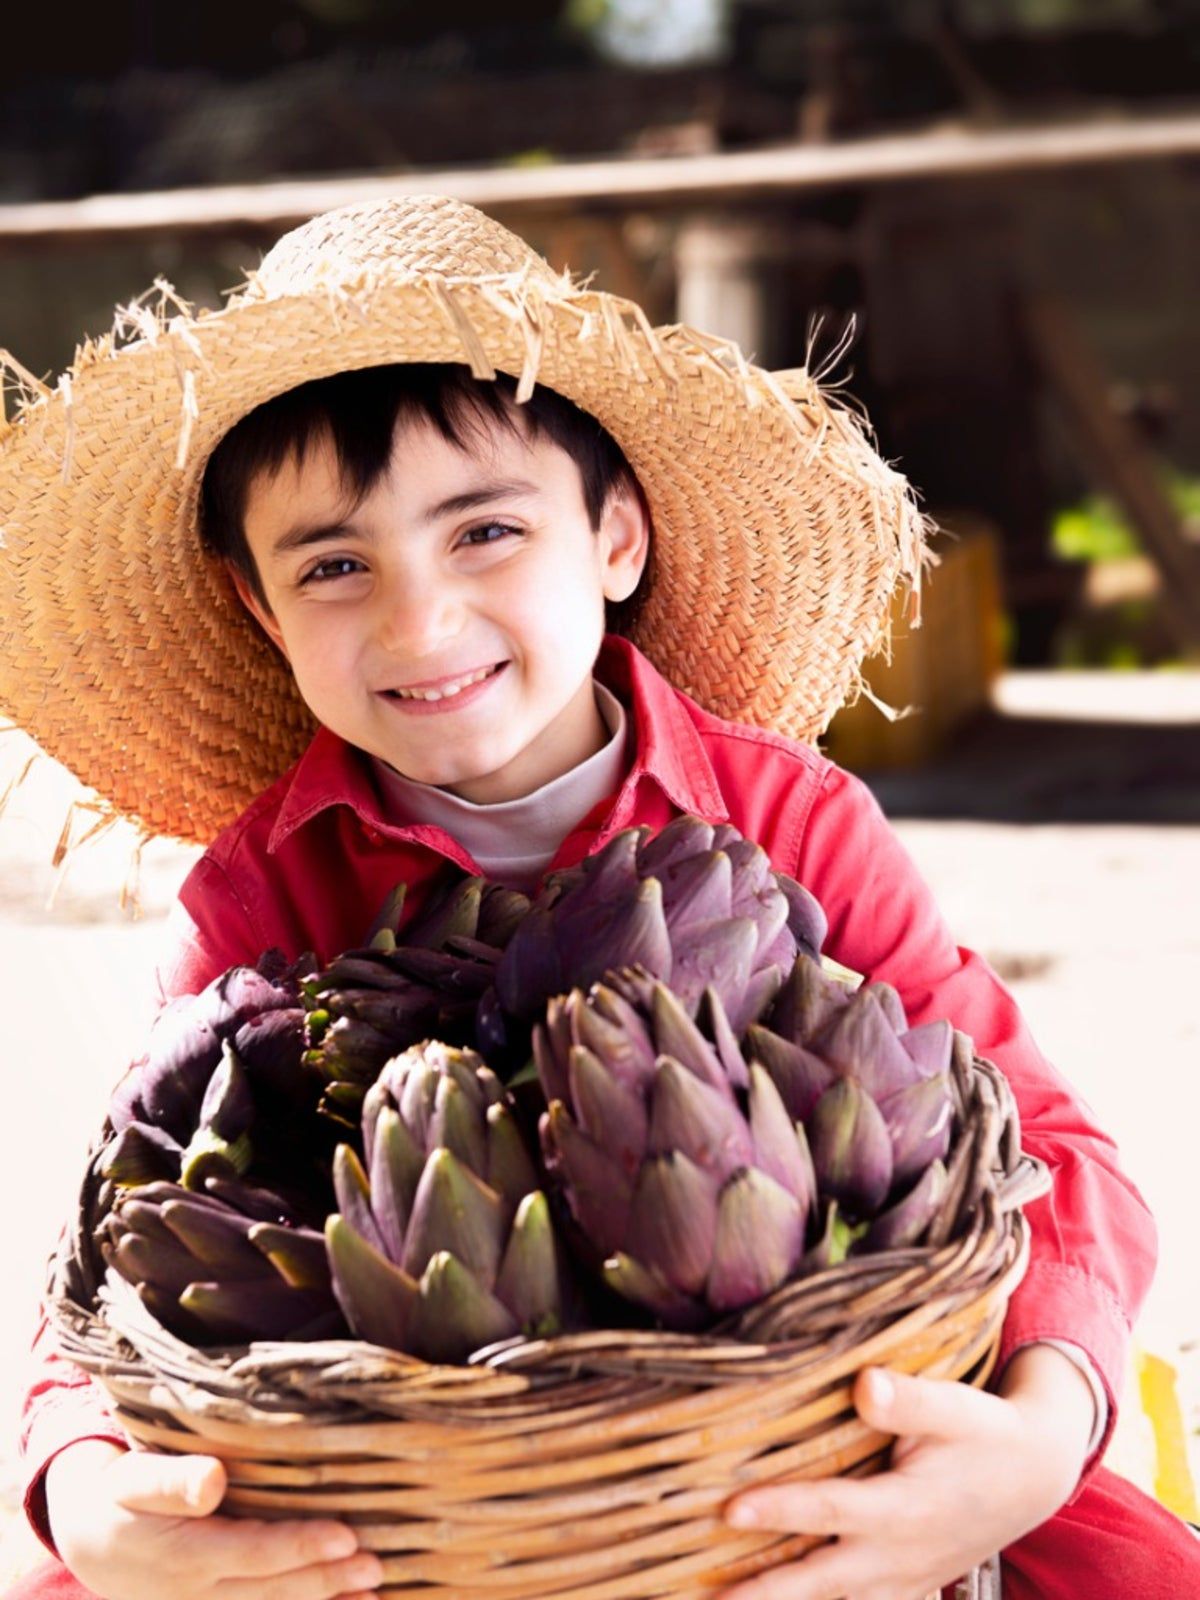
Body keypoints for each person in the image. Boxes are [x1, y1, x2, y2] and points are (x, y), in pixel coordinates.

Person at [0, 195, 1194, 1600]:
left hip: (809, 1459)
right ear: (259, 609)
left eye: (485, 532)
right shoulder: (262, 886)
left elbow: (1048, 1144)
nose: (418, 620)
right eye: (333, 565)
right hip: (428, 1519)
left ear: (615, 539)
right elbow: (117, 1250)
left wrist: (1044, 1430)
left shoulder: (790, 821)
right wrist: (80, 1484)